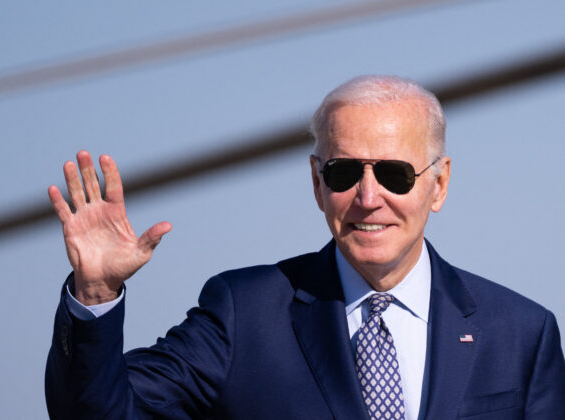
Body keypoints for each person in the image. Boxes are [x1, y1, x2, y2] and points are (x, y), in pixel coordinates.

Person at [44, 75, 565, 420]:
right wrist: (95, 291)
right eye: (343, 172)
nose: (367, 197)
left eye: (394, 174)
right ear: (317, 184)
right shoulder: (243, 313)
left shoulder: (520, 333)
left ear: (440, 184)